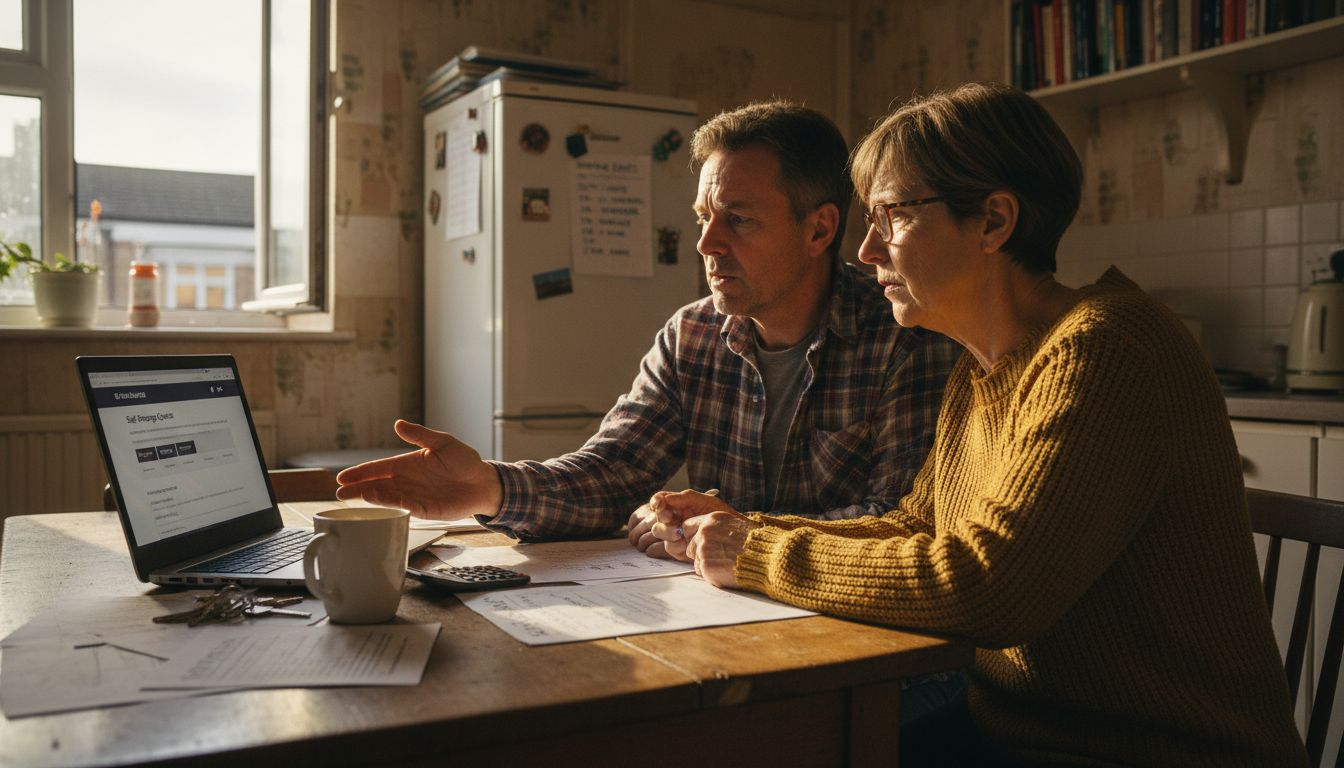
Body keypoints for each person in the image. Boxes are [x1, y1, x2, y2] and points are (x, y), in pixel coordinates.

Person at [650, 82, 1307, 766]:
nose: (867, 249)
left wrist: (754, 553)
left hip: (1141, 751)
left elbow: (986, 589)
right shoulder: (986, 365)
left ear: (993, 222)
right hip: (1013, 733)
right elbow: (918, 527)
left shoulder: (1107, 346)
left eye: (892, 216)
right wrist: (744, 527)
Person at [336, 100, 959, 546]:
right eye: (702, 218)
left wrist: (736, 527)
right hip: (721, 617)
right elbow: (612, 472)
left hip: (855, 642)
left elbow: (902, 520)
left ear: (819, 228)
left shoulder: (907, 337)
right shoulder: (692, 336)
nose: (707, 243)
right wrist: (488, 489)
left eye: (738, 219)